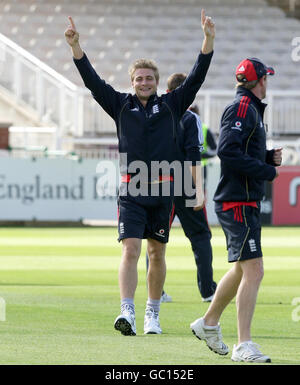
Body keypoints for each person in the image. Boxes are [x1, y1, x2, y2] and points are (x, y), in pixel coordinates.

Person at [65, 11, 215, 336]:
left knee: (156, 252)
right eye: (138, 79)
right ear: (131, 82)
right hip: (130, 192)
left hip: (163, 194)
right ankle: (127, 312)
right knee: (130, 249)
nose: (143, 82)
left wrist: (208, 42)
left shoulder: (173, 105)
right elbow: (92, 82)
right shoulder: (120, 105)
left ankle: (152, 314)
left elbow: (196, 79)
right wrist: (77, 48)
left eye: (148, 78)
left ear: (156, 82)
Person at [190, 57, 282, 362]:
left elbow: (238, 150)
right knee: (254, 270)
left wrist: (266, 158)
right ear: (257, 82)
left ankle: (208, 323)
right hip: (237, 201)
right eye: (265, 78)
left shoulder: (249, 108)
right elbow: (227, 152)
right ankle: (244, 344)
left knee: (243, 269)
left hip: (242, 199)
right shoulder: (243, 107)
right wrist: (265, 170)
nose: (267, 82)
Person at [146, 76, 217, 303]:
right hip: (185, 183)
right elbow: (193, 154)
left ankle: (157, 291)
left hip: (159, 183)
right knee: (200, 237)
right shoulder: (191, 118)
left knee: (155, 240)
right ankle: (207, 291)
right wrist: (198, 188)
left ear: (167, 91)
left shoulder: (155, 116)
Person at [188, 104, 217, 195]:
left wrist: (200, 155)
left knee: (199, 195)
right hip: (185, 167)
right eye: (190, 111)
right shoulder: (181, 126)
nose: (192, 114)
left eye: (194, 111)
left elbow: (214, 150)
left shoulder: (204, 128)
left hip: (200, 167)